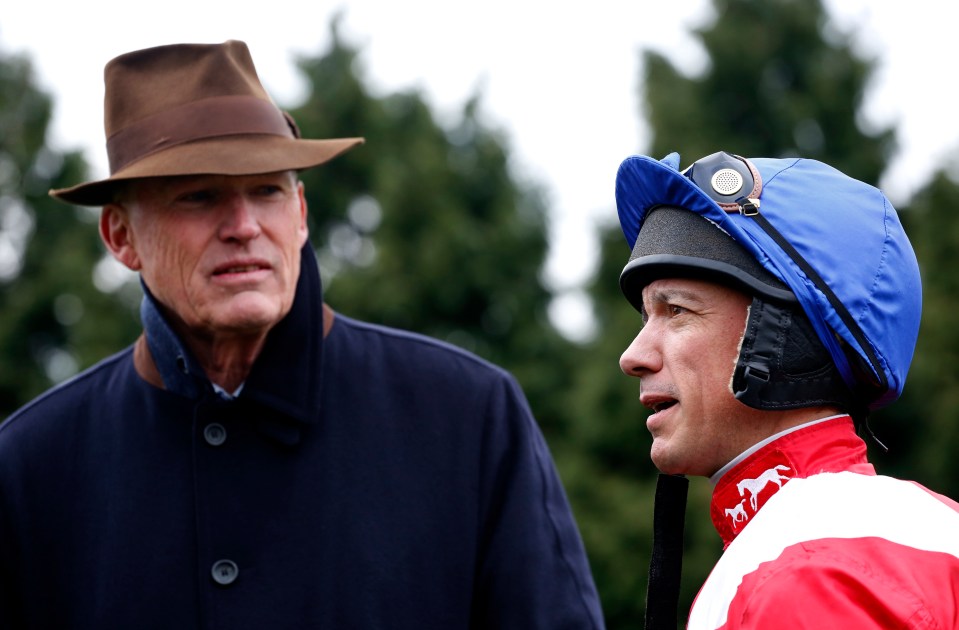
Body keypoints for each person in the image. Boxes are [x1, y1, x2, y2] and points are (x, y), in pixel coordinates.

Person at [0, 40, 605, 629]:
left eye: (267, 190)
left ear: (301, 214)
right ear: (120, 237)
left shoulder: (469, 416)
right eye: (199, 196)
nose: (243, 226)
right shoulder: (28, 465)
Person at [614, 150, 959, 628]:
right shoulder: (911, 528)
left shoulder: (806, 570)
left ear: (782, 338)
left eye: (676, 310)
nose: (633, 357)